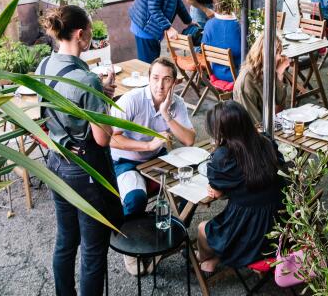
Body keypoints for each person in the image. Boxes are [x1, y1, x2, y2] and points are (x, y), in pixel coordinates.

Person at [36, 5, 122, 296]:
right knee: (93, 250)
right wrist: (104, 101)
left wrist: (101, 95)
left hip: (57, 161)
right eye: (89, 33)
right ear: (81, 34)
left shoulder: (44, 67)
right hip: (85, 170)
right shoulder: (87, 79)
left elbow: (50, 113)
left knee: (65, 240)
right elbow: (102, 139)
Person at [110, 57, 196, 273]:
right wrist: (148, 145)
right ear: (148, 79)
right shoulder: (131, 100)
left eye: (167, 79)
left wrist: (167, 115)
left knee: (190, 190)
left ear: (174, 83)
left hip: (158, 158)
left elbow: (189, 140)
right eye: (155, 78)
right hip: (124, 160)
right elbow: (110, 138)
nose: (160, 85)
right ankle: (132, 249)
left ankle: (177, 233)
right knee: (135, 199)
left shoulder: (176, 102)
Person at [196, 101, 286, 273]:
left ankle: (204, 257)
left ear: (221, 132)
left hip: (250, 234)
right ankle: (212, 258)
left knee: (202, 229)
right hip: (280, 225)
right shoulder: (266, 142)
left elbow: (216, 191)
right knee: (218, 228)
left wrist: (217, 188)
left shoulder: (224, 157)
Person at [232, 34, 291, 123]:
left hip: (271, 122)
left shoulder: (267, 70)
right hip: (253, 131)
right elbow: (256, 123)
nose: (279, 57)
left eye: (280, 52)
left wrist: (279, 74)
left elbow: (280, 102)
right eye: (276, 53)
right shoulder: (247, 81)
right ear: (264, 54)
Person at [201, 0, 242, 82]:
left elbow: (204, 46)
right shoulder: (239, 25)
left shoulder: (209, 24)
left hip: (216, 72)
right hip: (238, 74)